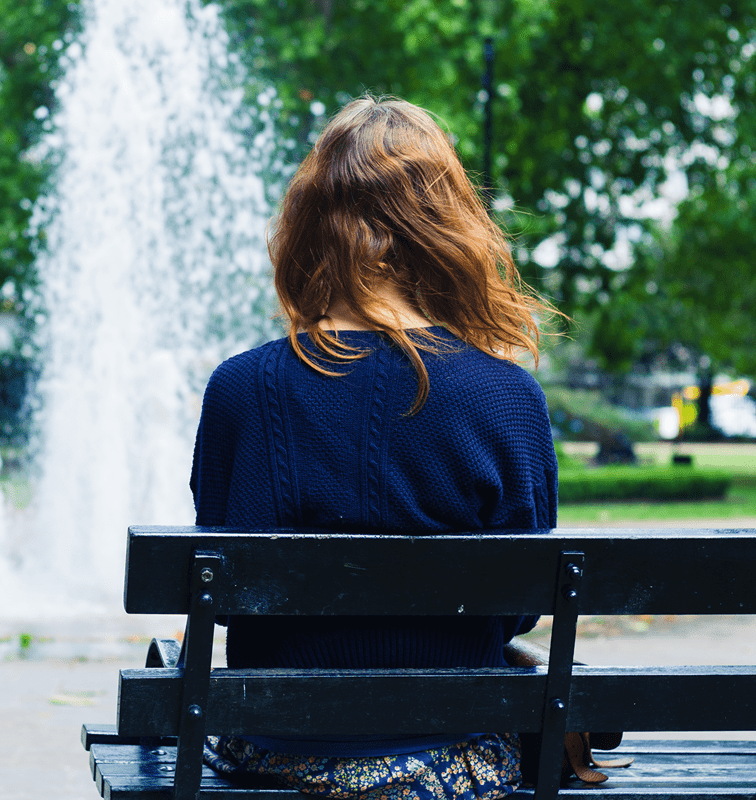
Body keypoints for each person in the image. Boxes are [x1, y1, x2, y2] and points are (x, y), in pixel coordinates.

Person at [190, 95, 561, 800]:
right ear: (446, 228)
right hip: (449, 760)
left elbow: (232, 589)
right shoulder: (506, 398)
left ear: (308, 228)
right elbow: (517, 608)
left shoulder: (239, 389)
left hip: (274, 755)